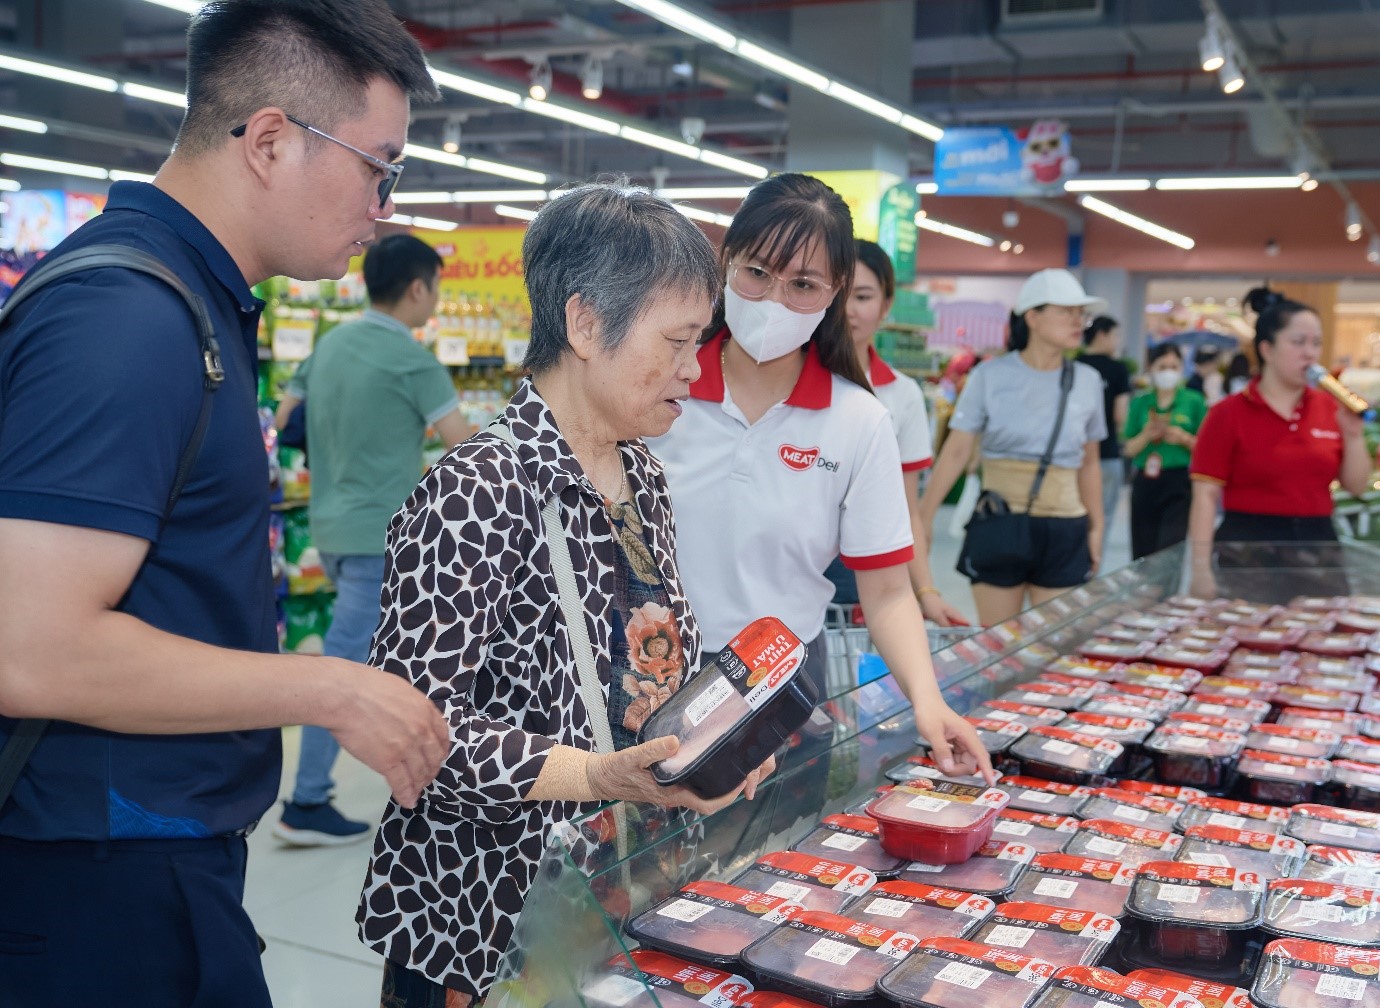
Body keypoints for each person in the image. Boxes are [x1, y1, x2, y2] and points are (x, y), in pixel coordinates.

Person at [0, 3, 450, 1006]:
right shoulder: (127, 320)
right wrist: (327, 689)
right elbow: (27, 647)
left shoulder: (189, 302)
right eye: (382, 165)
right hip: (95, 877)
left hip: (148, 855)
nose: (385, 204)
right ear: (272, 141)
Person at [356, 182, 773, 1006]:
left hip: (613, 893)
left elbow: (649, 664)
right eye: (680, 340)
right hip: (483, 920)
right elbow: (411, 734)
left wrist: (712, 737)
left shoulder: (641, 473)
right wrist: (601, 775)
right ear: (586, 325)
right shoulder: (473, 492)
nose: (697, 368)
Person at [648, 173, 991, 776]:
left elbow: (886, 593)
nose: (773, 300)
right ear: (725, 264)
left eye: (803, 284)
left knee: (768, 863)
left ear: (834, 292)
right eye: (756, 273)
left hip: (780, 689)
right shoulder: (657, 386)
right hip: (645, 676)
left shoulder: (858, 422)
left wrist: (927, 699)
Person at [270, 235, 470, 846]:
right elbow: (466, 449)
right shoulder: (413, 359)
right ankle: (305, 801)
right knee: (346, 665)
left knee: (387, 658)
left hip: (329, 527)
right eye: (434, 288)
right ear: (417, 288)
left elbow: (280, 422)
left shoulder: (328, 346)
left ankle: (426, 775)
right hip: (382, 535)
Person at [920, 269, 1108, 627]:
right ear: (1032, 317)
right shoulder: (990, 377)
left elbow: (1090, 463)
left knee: (1054, 645)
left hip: (1066, 525)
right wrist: (925, 517)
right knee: (997, 642)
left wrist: (1096, 528)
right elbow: (957, 449)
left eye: (1080, 313)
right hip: (1000, 521)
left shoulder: (1087, 381)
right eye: (1066, 311)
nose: (1077, 321)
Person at [1188, 299, 1373, 603]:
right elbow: (1205, 496)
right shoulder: (1228, 413)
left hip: (1316, 543)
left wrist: (1353, 437)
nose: (1310, 353)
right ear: (1267, 349)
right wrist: (1200, 569)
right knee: (1249, 638)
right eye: (1298, 342)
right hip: (1247, 546)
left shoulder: (1330, 407)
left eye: (1316, 343)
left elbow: (1357, 485)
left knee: (1321, 637)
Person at [826, 238, 968, 627]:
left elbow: (906, 508)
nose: (848, 310)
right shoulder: (784, 378)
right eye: (837, 293)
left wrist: (926, 592)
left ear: (886, 306)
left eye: (863, 296)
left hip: (867, 567)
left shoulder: (901, 393)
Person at [1123, 342, 1207, 560]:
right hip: (1145, 480)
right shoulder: (1141, 402)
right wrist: (1146, 435)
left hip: (1178, 480)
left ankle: (1168, 593)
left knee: (1170, 547)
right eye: (1162, 367)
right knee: (1143, 547)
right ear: (1151, 368)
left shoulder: (1193, 400)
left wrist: (1184, 438)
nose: (1168, 372)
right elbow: (1129, 448)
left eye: (1174, 366)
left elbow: (1207, 447)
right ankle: (1144, 592)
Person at [1078, 315, 1131, 553]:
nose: (1118, 341)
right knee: (1103, 517)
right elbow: (1121, 415)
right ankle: (1092, 569)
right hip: (1106, 452)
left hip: (1073, 454)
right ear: (1102, 334)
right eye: (1116, 335)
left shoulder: (1073, 366)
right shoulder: (1118, 369)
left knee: (1074, 511)